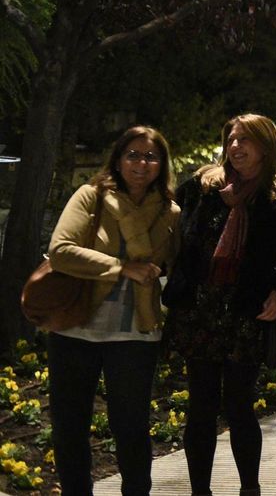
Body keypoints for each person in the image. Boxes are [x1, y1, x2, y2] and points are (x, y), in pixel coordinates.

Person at [164, 114, 276, 496]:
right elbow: (176, 234)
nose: (236, 147)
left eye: (246, 140)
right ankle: (200, 490)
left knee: (240, 404)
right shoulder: (204, 185)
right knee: (201, 404)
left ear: (266, 145)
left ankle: (249, 488)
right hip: (200, 308)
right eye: (231, 139)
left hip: (247, 309)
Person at [46, 126, 182, 496]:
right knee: (70, 427)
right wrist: (122, 267)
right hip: (75, 328)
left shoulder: (169, 211)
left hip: (135, 333)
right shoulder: (91, 196)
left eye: (151, 156)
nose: (141, 163)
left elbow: (178, 265)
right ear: (118, 160)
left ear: (162, 164)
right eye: (133, 155)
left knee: (132, 427)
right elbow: (61, 250)